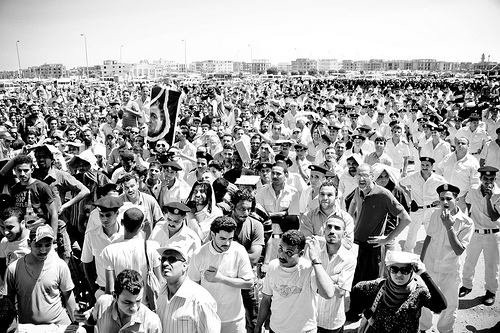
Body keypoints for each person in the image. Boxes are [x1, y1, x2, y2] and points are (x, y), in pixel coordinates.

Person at [254, 230, 335, 333]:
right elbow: (266, 299)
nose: (282, 255)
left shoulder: (309, 270)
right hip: (275, 330)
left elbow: (329, 293)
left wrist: (315, 259)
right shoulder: (273, 266)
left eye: (289, 253)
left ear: (300, 253)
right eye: (280, 249)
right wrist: (258, 326)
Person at [419, 183, 474, 333]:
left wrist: (449, 227)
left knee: (450, 304)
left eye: (448, 198)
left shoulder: (466, 222)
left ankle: (445, 330)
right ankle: (423, 327)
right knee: (424, 300)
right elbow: (428, 238)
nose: (444, 202)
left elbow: (458, 250)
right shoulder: (435, 214)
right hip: (430, 267)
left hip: (449, 270)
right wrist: (421, 262)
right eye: (441, 198)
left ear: (456, 198)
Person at [347, 164, 412, 289]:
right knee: (355, 283)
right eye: (359, 175)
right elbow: (354, 202)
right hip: (356, 245)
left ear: (372, 176)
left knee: (369, 286)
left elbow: (406, 219)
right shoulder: (358, 190)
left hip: (372, 247)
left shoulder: (384, 194)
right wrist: (349, 224)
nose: (361, 178)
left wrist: (387, 239)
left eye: (365, 175)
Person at [349, 250, 447, 333]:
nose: (399, 274)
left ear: (412, 272)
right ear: (389, 271)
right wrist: (363, 312)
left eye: (405, 270)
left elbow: (441, 305)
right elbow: (357, 289)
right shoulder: (379, 286)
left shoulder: (419, 292)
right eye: (394, 269)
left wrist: (424, 274)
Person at [188, 216, 254, 333]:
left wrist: (220, 278)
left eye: (230, 238)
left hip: (234, 320)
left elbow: (249, 283)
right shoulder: (199, 254)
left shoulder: (239, 250)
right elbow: (192, 287)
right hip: (207, 318)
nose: (227, 243)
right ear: (212, 235)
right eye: (223, 239)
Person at [3, 225, 76, 325]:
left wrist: (76, 323)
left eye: (47, 245)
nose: (43, 250)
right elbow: (8, 301)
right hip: (28, 327)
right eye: (38, 245)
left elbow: (68, 296)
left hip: (58, 325)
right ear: (29, 243)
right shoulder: (13, 269)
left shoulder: (60, 266)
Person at [101, 207, 162, 305]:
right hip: (146, 308)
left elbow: (110, 290)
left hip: (122, 309)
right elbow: (159, 282)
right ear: (142, 226)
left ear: (121, 222)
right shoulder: (153, 247)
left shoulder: (109, 251)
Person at [156, 245, 221, 333]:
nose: (165, 263)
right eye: (163, 259)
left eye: (171, 259)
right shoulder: (162, 292)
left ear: (184, 266)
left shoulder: (201, 299)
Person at [74, 268, 162, 333]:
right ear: (115, 296)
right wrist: (82, 316)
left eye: (138, 301)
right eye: (127, 302)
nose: (134, 308)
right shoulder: (103, 303)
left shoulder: (152, 322)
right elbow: (91, 320)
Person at [460, 166, 500, 306]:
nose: (488, 181)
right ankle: (466, 285)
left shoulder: (498, 194)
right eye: (485, 178)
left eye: (491, 179)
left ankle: (491, 291)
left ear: (495, 179)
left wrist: (489, 199)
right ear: (481, 178)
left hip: (492, 234)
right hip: (476, 232)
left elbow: (494, 217)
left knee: (491, 265)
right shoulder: (473, 191)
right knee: (470, 261)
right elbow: (469, 204)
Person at [313, 216, 357, 333]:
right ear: (324, 230)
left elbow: (340, 292)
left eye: (337, 228)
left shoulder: (349, 259)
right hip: (310, 318)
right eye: (329, 227)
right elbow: (307, 282)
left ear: (344, 233)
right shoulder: (313, 251)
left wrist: (317, 279)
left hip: (332, 321)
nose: (332, 231)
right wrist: (335, 279)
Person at [81, 195, 124, 302]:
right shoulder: (91, 234)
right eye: (101, 215)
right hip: (103, 291)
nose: (104, 219)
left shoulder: (125, 235)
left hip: (124, 291)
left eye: (108, 215)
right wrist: (94, 289)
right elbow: (86, 263)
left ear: (117, 214)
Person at [400, 157, 447, 253]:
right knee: (412, 232)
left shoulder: (438, 179)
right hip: (417, 209)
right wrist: (408, 194)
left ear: (432, 166)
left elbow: (448, 190)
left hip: (431, 209)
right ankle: (407, 252)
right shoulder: (413, 177)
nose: (424, 167)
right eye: (423, 165)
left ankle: (433, 252)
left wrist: (440, 201)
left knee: (432, 232)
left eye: (427, 165)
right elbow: (401, 183)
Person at [301, 180, 354, 250]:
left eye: (329, 195)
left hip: (337, 259)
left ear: (336, 197)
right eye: (322, 194)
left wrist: (317, 239)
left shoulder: (346, 218)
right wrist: (334, 241)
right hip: (315, 258)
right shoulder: (308, 217)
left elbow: (348, 244)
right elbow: (307, 243)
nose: (325, 198)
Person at [0, 207, 31, 279]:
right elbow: (3, 270)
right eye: (2, 227)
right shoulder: (4, 242)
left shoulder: (35, 240)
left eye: (10, 227)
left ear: (22, 223)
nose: (5, 232)